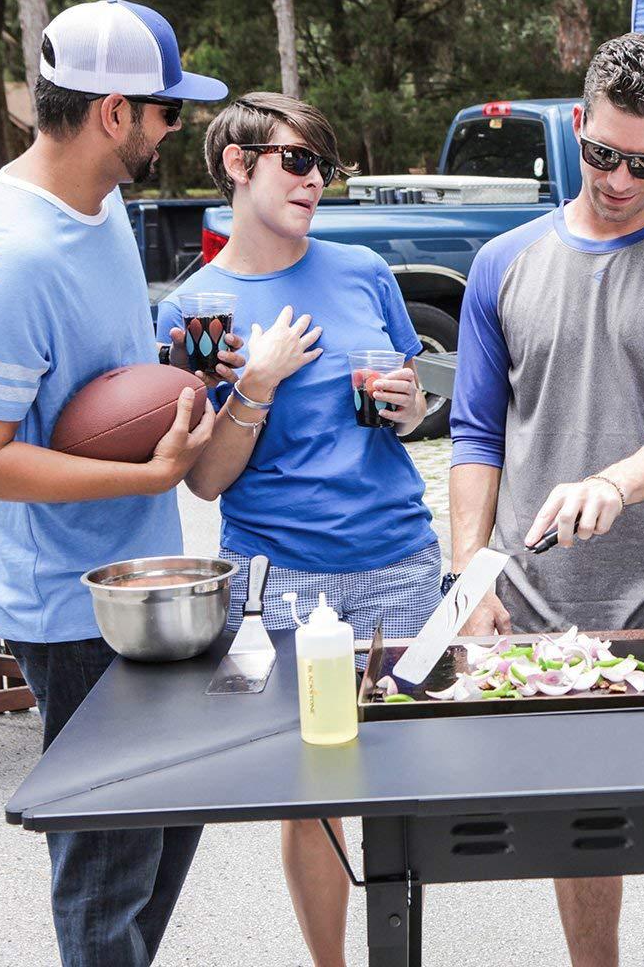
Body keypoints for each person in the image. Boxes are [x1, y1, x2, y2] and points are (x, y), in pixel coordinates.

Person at [0, 0, 238, 966]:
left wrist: (174, 364)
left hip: (139, 572)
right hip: (70, 607)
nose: (175, 128)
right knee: (109, 856)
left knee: (170, 812)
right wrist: (146, 469)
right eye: (166, 110)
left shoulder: (99, 204)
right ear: (115, 113)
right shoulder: (13, 258)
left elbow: (92, 386)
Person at [449, 33, 644, 967]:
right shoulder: (500, 264)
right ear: (578, 127)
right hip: (546, 603)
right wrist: (470, 568)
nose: (620, 179)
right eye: (603, 154)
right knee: (580, 826)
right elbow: (474, 434)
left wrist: (615, 481)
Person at [156, 92, 442, 967]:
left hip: (399, 563)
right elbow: (203, 477)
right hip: (278, 581)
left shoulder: (361, 270)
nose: (315, 179)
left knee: (400, 787)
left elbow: (413, 404)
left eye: (323, 165)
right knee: (313, 796)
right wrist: (259, 383)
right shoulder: (196, 313)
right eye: (295, 160)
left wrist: (405, 408)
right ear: (237, 165)